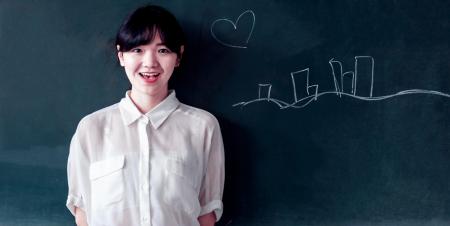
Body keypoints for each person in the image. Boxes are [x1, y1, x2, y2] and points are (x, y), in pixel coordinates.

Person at [66, 5, 225, 226]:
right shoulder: (91, 128)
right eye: (137, 50)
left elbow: (206, 214)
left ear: (178, 56)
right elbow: (82, 212)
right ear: (121, 55)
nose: (150, 63)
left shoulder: (203, 127)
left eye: (162, 50)